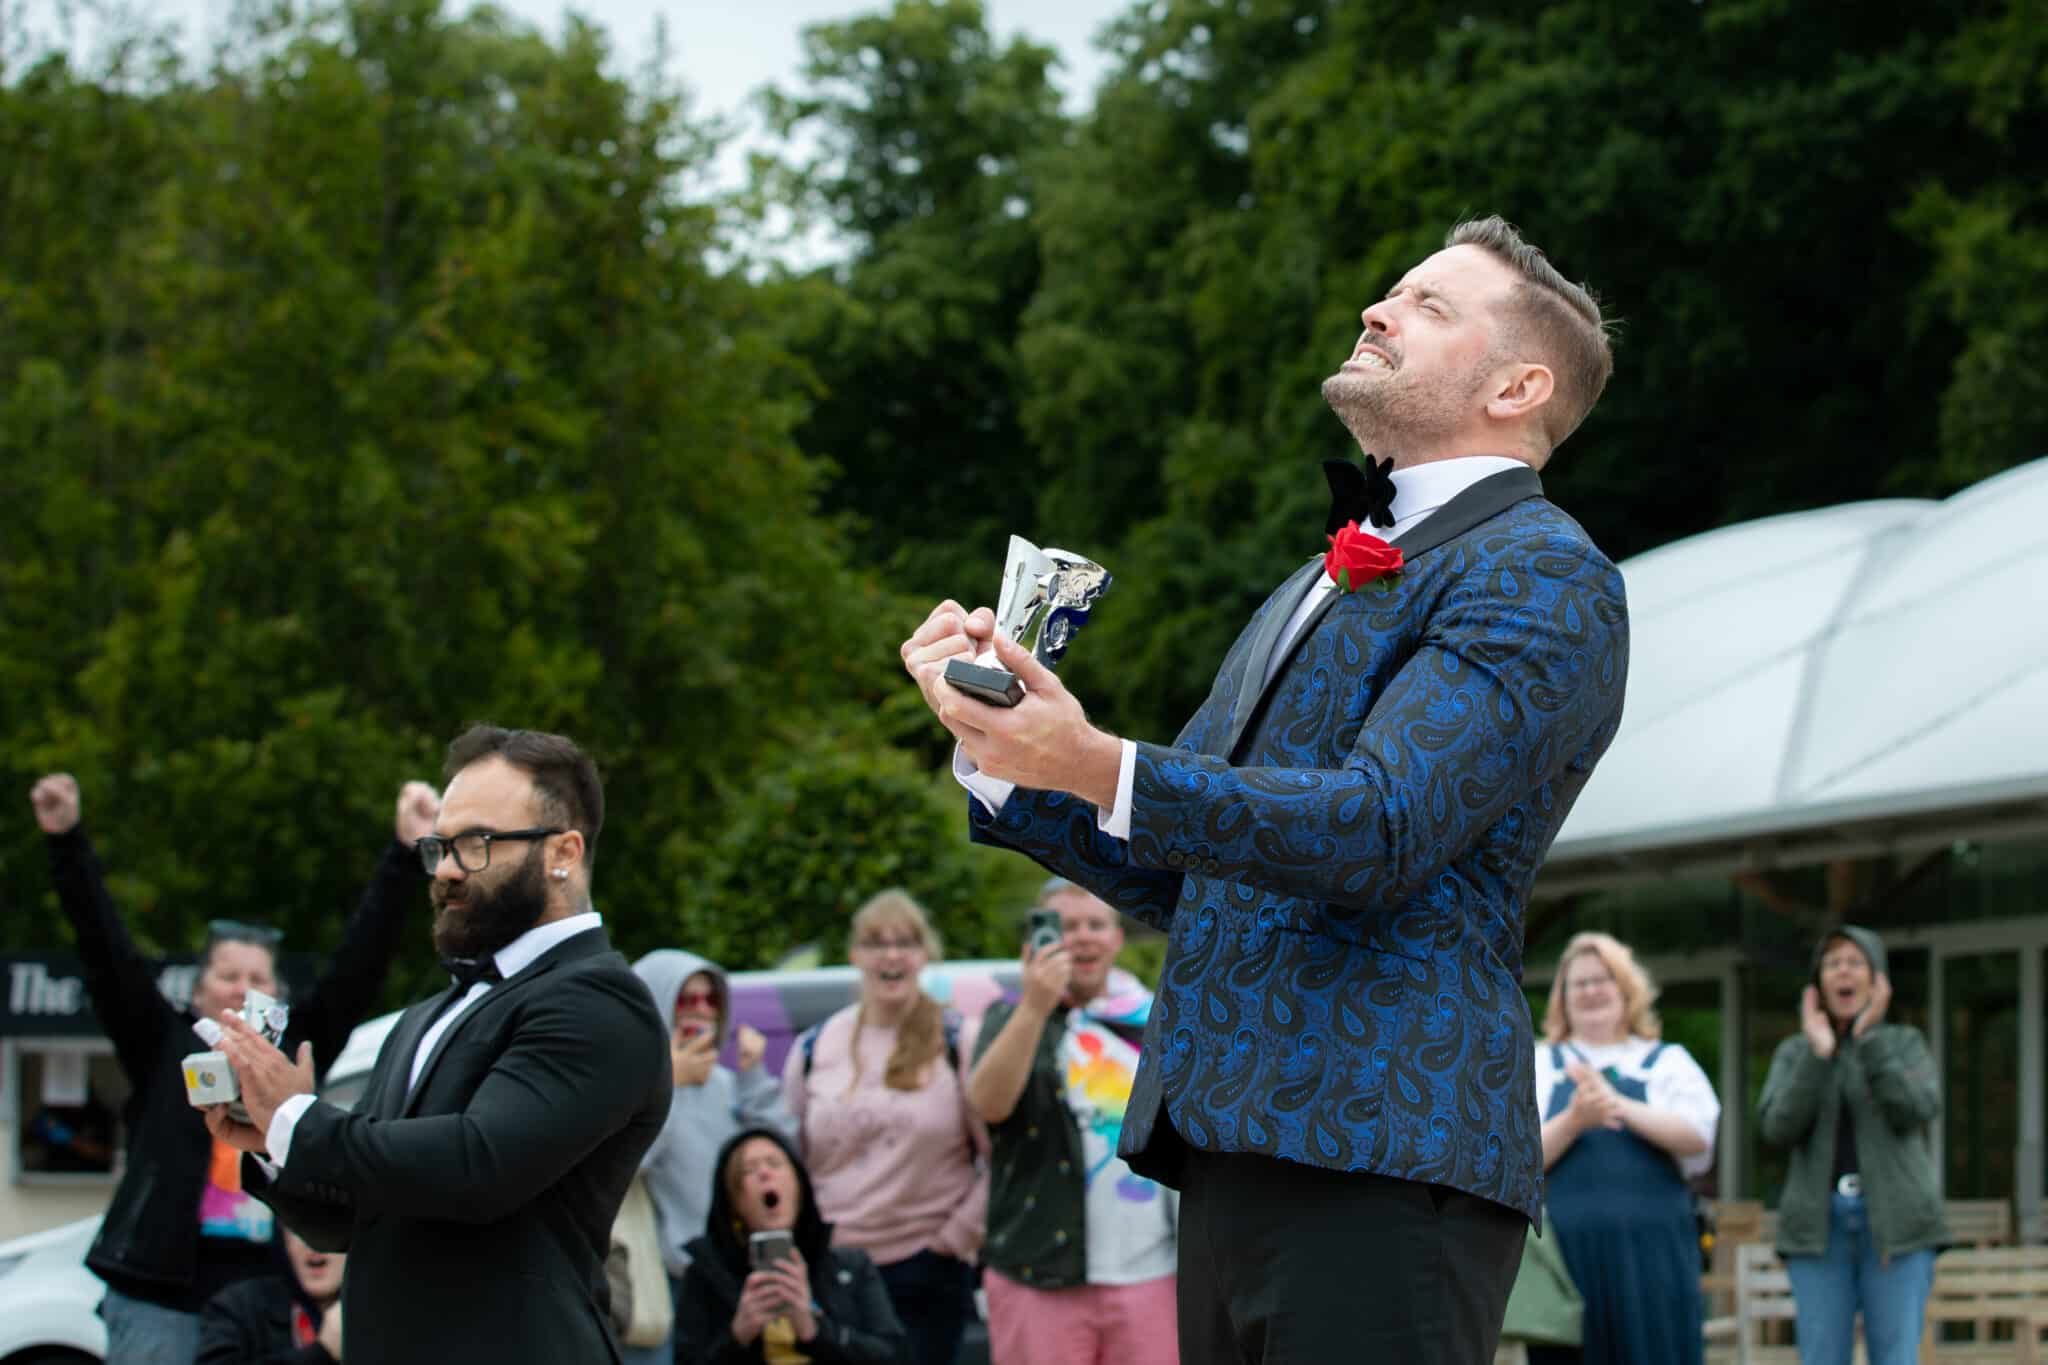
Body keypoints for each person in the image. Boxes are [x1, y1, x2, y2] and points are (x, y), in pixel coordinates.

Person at [900, 215, 1629, 1364]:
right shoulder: (1315, 577)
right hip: (1230, 1146)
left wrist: (1091, 757)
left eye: (1427, 305)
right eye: (1387, 292)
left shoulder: (1544, 572)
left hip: (1383, 1150)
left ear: (1518, 385)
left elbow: (1380, 827)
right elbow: (1177, 864)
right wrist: (1001, 752)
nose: (1375, 311)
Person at [203, 724, 672, 1365]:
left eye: (475, 843)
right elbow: (357, 1220)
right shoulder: (429, 1014)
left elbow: (476, 1166)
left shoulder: (598, 1001)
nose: (447, 871)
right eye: (440, 846)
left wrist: (298, 1119)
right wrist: (273, 1143)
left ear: (563, 852)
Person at [27, 771, 421, 1363]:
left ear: (279, 996)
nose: (242, 989)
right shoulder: (161, 1043)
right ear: (197, 991)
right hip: (159, 1297)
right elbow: (104, 951)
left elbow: (358, 967)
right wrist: (65, 839)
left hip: (265, 1295)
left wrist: (405, 853)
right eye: (227, 976)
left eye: (257, 979)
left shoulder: (297, 1048)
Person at [963, 880, 1177, 1365]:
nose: (1083, 937)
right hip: (1038, 1272)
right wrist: (1036, 1004)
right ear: (1037, 941)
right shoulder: (1009, 1017)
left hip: (1149, 1271)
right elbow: (988, 1105)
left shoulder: (1154, 1020)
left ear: (1117, 938)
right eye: (1066, 927)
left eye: (1096, 924)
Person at [783, 891, 987, 1365]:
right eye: (876, 942)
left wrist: (952, 1243)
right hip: (834, 1269)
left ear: (925, 955)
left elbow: (999, 1158)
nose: (892, 954)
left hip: (927, 1268)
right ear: (855, 955)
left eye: (906, 941)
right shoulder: (815, 1045)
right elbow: (788, 1156)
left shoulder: (959, 1039)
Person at [1529, 932, 1720, 1365]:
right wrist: (1575, 1120)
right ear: (1562, 997)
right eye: (1580, 983)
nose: (1593, 991)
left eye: (1604, 979)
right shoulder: (1540, 1064)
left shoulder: (1668, 1062)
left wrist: (1617, 1106)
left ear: (1626, 989)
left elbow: (1699, 1137)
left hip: (1654, 1259)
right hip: (1567, 1262)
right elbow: (1521, 1162)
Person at [1757, 926, 1944, 1365]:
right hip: (1818, 1229)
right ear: (1818, 982)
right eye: (1833, 962)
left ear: (1877, 980)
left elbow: (1916, 1108)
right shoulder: (1795, 1051)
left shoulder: (1904, 1044)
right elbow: (1777, 1127)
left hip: (1897, 1227)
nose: (1844, 971)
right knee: (1822, 1356)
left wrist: (1870, 1040)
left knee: (1896, 1356)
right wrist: (1817, 1053)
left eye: (1855, 962)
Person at [626, 948, 794, 1365]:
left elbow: (781, 1152)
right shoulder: (631, 1085)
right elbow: (633, 1162)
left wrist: (754, 1077)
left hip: (731, 1272)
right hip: (666, 1279)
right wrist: (671, 1085)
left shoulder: (725, 1083)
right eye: (686, 1000)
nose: (700, 1012)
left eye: (710, 1000)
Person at [673, 1125, 909, 1364]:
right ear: (734, 1203)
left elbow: (893, 1355)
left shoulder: (851, 1267)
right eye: (748, 1170)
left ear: (799, 1186)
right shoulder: (706, 1275)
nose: (764, 1173)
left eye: (775, 1163)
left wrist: (814, 1330)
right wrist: (737, 1336)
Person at [195, 1229, 346, 1364]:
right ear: (284, 1240)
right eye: (300, 1230)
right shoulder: (240, 1306)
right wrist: (321, 1352)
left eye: (329, 1232)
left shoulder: (367, 1314)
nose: (314, 1245)